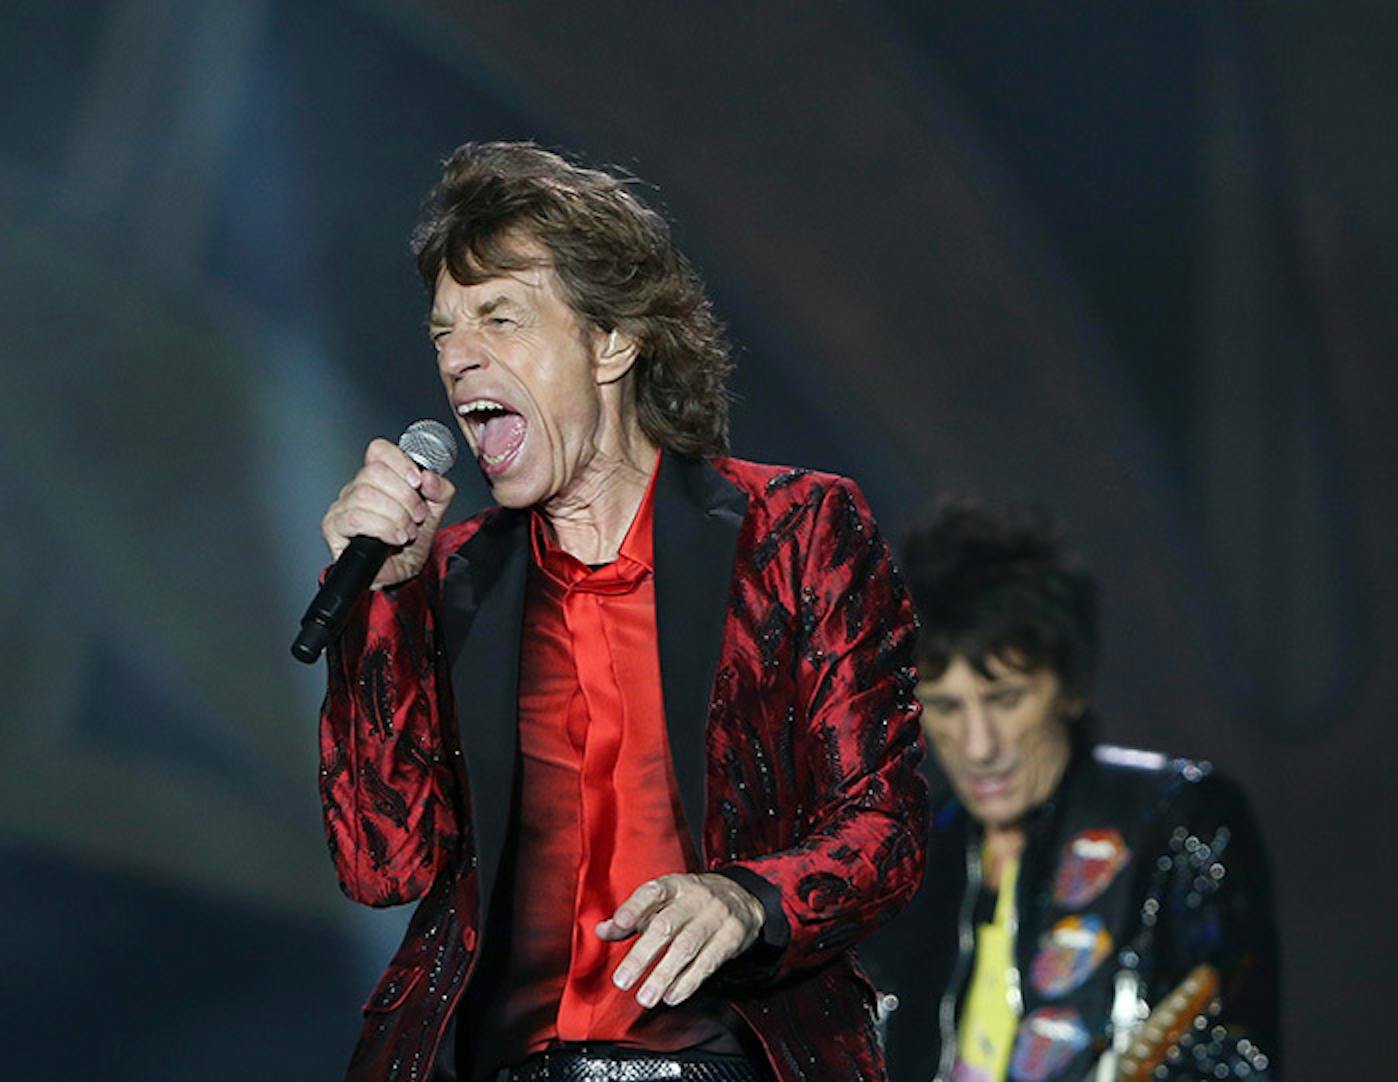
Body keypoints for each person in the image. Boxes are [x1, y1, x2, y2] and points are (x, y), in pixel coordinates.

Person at [313, 141, 927, 1082]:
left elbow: (881, 825)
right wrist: (384, 602)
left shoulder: (794, 532)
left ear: (613, 339)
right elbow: (381, 865)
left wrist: (748, 899)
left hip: (725, 1060)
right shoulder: (452, 581)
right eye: (443, 334)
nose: (459, 358)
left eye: (499, 318)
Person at [862, 502, 1279, 1081]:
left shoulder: (1175, 817)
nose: (979, 745)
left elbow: (1233, 1059)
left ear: (1071, 686)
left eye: (1005, 699)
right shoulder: (907, 862)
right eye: (946, 707)